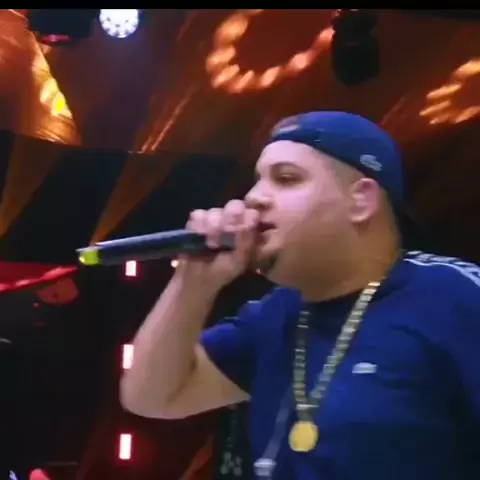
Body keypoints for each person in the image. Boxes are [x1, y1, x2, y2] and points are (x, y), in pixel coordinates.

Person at [120, 111, 480, 479]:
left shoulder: (455, 296)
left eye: (286, 179)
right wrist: (193, 285)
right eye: (257, 181)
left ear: (361, 200)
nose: (253, 198)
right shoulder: (273, 316)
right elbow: (152, 397)